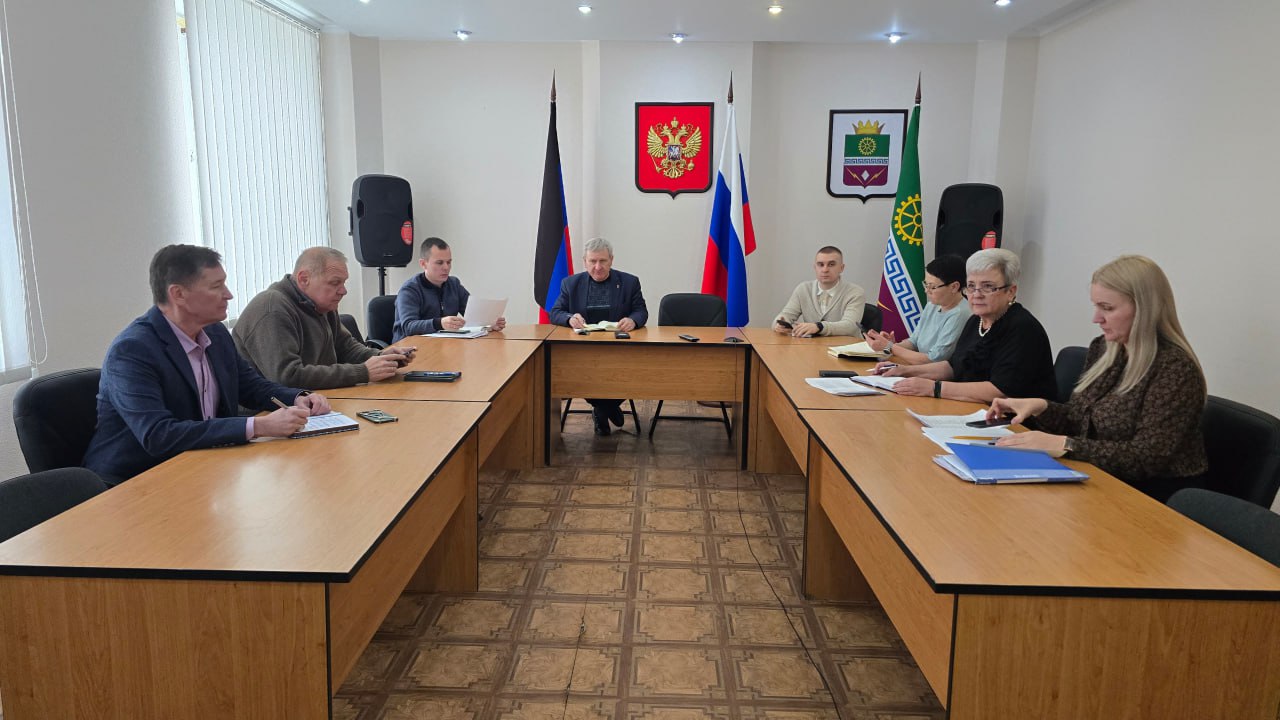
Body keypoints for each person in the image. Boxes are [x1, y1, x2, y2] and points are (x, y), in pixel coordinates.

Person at [82, 245, 332, 487]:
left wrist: (298, 397)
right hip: (136, 480)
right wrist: (259, 426)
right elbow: (158, 434)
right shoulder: (133, 351)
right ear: (178, 294)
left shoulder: (215, 332)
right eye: (216, 286)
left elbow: (249, 385)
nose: (228, 294)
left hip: (203, 465)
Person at [988, 255, 1207, 501]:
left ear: (1145, 309)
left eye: (1108, 308)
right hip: (1098, 477)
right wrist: (1041, 406)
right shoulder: (1103, 348)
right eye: (1096, 306)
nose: (1096, 318)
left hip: (1152, 497)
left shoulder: (1175, 368)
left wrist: (1065, 445)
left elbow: (1147, 457)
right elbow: (1081, 421)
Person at [875, 248, 1056, 403]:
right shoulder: (976, 321)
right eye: (971, 286)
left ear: (1010, 291)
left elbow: (1000, 390)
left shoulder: (1022, 328)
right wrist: (905, 371)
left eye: (988, 287)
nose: (976, 294)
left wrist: (934, 388)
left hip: (1018, 422)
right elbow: (954, 367)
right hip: (976, 409)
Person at [233, 247, 416, 390]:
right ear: (304, 279)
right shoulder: (273, 309)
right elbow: (288, 377)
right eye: (335, 283)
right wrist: (363, 372)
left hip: (311, 400)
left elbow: (346, 348)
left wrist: (383, 358)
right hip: (267, 413)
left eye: (343, 282)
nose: (343, 290)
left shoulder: (321, 305)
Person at [548, 237, 648, 435]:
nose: (598, 267)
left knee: (632, 372)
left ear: (611, 260)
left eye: (603, 261)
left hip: (619, 350)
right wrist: (570, 318)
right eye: (592, 261)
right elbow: (556, 312)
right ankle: (608, 408)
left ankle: (602, 410)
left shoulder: (629, 282)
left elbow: (641, 311)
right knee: (577, 374)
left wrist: (633, 320)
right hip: (583, 351)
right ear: (585, 261)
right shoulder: (571, 283)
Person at [392, 236, 506, 342]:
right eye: (439, 263)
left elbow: (472, 314)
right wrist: (439, 323)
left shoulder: (454, 284)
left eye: (449, 262)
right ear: (423, 264)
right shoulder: (410, 290)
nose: (446, 267)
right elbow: (408, 327)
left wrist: (490, 324)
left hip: (443, 345)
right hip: (410, 348)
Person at [864, 254, 970, 364]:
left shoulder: (961, 314)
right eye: (926, 284)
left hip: (935, 372)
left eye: (932, 287)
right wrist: (886, 345)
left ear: (954, 287)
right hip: (918, 368)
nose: (926, 291)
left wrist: (890, 347)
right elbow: (913, 342)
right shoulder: (932, 305)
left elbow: (934, 359)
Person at [773, 246, 866, 337]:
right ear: (815, 267)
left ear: (841, 268)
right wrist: (779, 324)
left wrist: (819, 327)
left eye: (831, 264)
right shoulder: (803, 289)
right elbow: (786, 315)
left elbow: (850, 326)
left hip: (846, 346)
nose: (825, 270)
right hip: (812, 345)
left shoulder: (855, 292)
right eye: (820, 265)